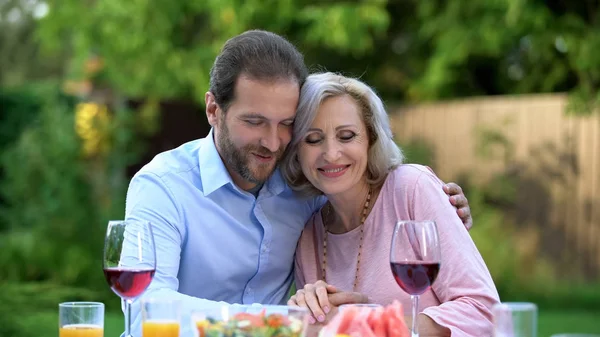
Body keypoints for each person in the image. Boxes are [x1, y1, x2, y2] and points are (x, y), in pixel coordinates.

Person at [124, 30, 472, 336]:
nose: (273, 142)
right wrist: (281, 324)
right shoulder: (162, 187)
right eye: (255, 121)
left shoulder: (305, 184)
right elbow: (144, 312)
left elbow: (365, 197)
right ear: (214, 110)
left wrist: (439, 206)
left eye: (286, 123)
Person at [281, 72, 499, 336]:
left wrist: (370, 322)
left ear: (371, 139)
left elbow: (483, 311)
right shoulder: (309, 237)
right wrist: (309, 317)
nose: (332, 154)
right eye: (313, 139)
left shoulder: (411, 189)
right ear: (296, 151)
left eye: (347, 136)